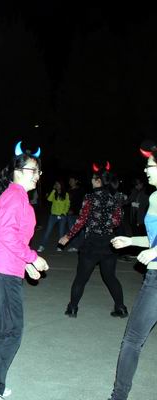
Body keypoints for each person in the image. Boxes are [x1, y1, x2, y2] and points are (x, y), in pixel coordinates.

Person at [0, 141, 49, 400]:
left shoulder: (15, 196)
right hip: (2, 272)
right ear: (18, 171)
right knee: (10, 331)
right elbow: (6, 235)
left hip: (2, 269)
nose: (38, 175)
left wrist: (26, 264)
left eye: (38, 171)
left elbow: (9, 237)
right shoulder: (15, 196)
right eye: (34, 170)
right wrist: (33, 257)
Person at [108, 141, 157, 400]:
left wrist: (156, 253)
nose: (146, 170)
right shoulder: (154, 196)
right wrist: (131, 241)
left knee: (132, 340)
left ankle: (118, 397)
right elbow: (154, 239)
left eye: (150, 165)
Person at [58, 163, 127, 318]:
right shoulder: (115, 198)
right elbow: (117, 222)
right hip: (109, 244)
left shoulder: (90, 197)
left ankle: (72, 308)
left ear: (98, 181)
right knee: (110, 277)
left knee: (81, 278)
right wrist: (106, 222)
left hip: (92, 244)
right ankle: (121, 308)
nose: (91, 180)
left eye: (93, 178)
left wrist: (68, 236)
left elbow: (81, 220)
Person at [37, 180, 69, 252]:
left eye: (58, 184)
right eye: (56, 184)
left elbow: (67, 204)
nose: (57, 185)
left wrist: (64, 213)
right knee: (48, 231)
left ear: (61, 185)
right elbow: (49, 199)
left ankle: (60, 246)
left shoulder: (66, 194)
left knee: (61, 232)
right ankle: (42, 245)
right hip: (53, 215)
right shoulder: (54, 193)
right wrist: (53, 190)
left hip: (62, 216)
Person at [66, 176, 84, 252]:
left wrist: (79, 210)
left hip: (79, 213)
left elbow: (82, 202)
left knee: (81, 231)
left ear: (76, 181)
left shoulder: (80, 190)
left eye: (72, 180)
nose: (70, 181)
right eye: (69, 180)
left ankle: (81, 246)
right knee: (72, 230)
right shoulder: (68, 190)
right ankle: (75, 246)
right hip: (70, 213)